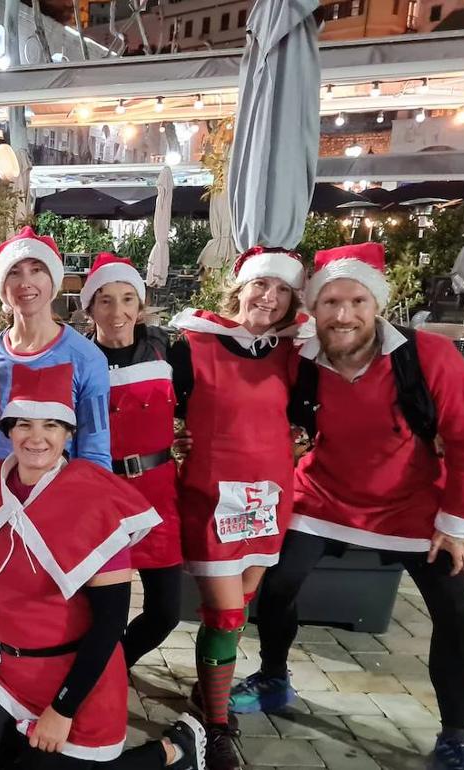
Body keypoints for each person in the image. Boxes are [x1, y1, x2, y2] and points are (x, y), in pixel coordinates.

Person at [229, 243, 464, 770]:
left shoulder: (427, 357)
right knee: (276, 585)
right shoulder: (301, 357)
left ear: (377, 306)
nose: (343, 315)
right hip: (322, 495)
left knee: (455, 614)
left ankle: (456, 735)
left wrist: (456, 524)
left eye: (356, 302)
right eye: (330, 303)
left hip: (413, 505)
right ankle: (274, 677)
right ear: (313, 309)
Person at [0, 363, 204, 770]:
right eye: (24, 424)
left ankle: (172, 752)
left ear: (68, 433)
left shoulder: (98, 500)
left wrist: (63, 709)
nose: (36, 438)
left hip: (78, 682)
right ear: (9, 430)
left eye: (51, 425)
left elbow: (110, 624)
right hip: (2, 671)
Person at [168, 247, 307, 770]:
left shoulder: (293, 352)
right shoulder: (194, 345)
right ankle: (217, 726)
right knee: (226, 614)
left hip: (268, 499)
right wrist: (172, 439)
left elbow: (314, 410)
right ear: (239, 288)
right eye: (261, 285)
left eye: (283, 290)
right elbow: (159, 407)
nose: (269, 297)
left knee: (238, 610)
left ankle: (210, 692)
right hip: (211, 498)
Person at [80, 253, 182, 669]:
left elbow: (199, 404)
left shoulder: (168, 349)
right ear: (90, 308)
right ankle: (100, 678)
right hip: (101, 499)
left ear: (140, 305)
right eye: (105, 300)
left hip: (158, 495)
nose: (117, 311)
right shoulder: (78, 357)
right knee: (104, 612)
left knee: (166, 612)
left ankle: (114, 666)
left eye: (127, 299)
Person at [0, 227, 111, 469]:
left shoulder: (87, 358)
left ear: (53, 281)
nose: (25, 283)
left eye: (36, 270)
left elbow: (96, 454)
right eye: (14, 272)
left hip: (59, 489)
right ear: (2, 286)